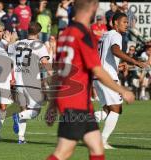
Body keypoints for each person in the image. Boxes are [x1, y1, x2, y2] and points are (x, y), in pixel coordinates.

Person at [45, 0, 135, 159]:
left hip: (80, 102)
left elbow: (58, 72)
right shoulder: (85, 35)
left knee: (97, 147)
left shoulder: (65, 34)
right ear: (93, 8)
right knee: (63, 151)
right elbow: (97, 70)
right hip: (75, 102)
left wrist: (52, 104)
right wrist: (122, 90)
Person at [93, 12, 147, 149]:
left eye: (127, 22)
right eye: (123, 22)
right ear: (115, 23)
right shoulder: (115, 35)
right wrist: (134, 61)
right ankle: (102, 141)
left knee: (107, 109)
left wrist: (120, 65)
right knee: (116, 108)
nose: (126, 25)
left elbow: (106, 56)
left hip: (98, 76)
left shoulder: (104, 35)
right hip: (107, 77)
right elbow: (115, 50)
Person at [9, 22, 52, 144]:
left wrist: (11, 40)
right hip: (31, 82)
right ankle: (19, 117)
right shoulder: (39, 45)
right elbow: (44, 60)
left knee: (25, 109)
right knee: (35, 111)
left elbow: (9, 51)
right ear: (39, 33)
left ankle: (21, 138)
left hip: (18, 81)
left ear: (28, 30)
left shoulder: (18, 43)